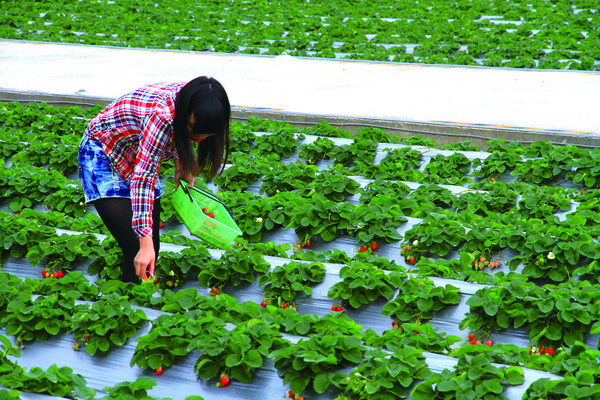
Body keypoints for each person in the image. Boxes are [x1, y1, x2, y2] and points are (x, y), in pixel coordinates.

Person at [78, 76, 231, 283]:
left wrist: (182, 165)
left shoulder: (199, 102)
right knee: (136, 247)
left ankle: (139, 302)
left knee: (152, 247)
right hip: (104, 149)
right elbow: (143, 178)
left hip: (137, 152)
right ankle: (125, 307)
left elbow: (176, 137)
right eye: (193, 129)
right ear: (185, 115)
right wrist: (144, 242)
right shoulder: (161, 116)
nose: (200, 137)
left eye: (207, 132)